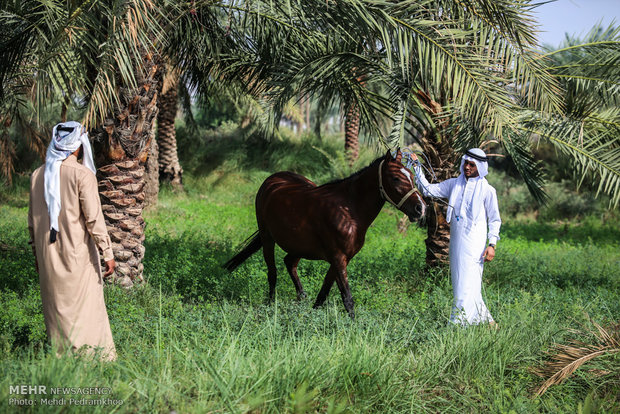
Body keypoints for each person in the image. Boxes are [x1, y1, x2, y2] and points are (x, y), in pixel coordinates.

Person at [28, 121, 117, 360]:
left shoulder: (37, 175)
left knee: (57, 306)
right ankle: (91, 357)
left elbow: (31, 224)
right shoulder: (82, 174)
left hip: (48, 255)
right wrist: (107, 252)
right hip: (77, 254)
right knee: (84, 305)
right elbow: (94, 219)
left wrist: (37, 255)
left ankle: (61, 356)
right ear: (77, 146)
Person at [411, 148, 501, 326]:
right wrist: (416, 167)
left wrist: (492, 244)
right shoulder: (454, 184)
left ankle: (457, 325)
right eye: (466, 163)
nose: (467, 167)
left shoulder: (488, 190)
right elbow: (427, 189)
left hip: (476, 242)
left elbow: (495, 219)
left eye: (472, 165)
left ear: (480, 167)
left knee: (467, 281)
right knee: (463, 281)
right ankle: (489, 323)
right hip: (457, 241)